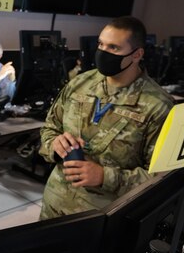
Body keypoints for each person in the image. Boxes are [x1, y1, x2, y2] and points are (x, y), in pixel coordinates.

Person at [38, 16, 173, 219]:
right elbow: (49, 128)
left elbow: (161, 179)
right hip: (55, 202)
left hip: (102, 215)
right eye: (101, 44)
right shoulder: (80, 83)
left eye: (114, 48)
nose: (103, 52)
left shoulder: (158, 106)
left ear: (137, 54)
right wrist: (55, 146)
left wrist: (104, 177)